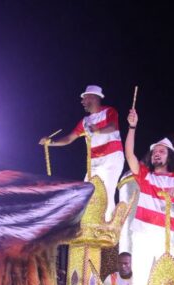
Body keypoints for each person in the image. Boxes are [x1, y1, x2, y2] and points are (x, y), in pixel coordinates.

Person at [123, 114, 174, 285]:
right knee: (140, 278)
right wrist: (132, 127)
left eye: (161, 151)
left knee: (170, 279)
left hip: (167, 235)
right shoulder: (145, 175)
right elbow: (129, 155)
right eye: (154, 151)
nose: (157, 153)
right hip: (143, 233)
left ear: (169, 156)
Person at [39, 85, 124, 221]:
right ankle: (86, 226)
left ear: (93, 98)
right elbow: (69, 138)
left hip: (111, 159)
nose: (82, 101)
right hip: (94, 162)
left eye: (84, 98)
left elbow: (113, 127)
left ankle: (107, 227)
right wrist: (51, 142)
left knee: (106, 193)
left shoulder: (109, 111)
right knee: (87, 192)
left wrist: (98, 131)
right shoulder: (85, 121)